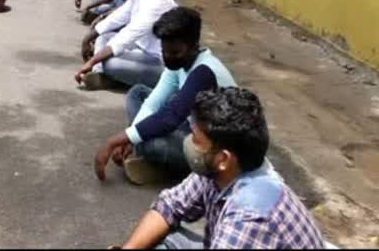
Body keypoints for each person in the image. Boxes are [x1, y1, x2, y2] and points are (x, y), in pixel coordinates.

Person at [111, 87, 325, 249]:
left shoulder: (250, 217)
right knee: (162, 241)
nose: (188, 143)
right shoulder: (219, 169)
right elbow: (170, 206)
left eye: (195, 139)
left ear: (224, 158)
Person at [93, 7, 236, 185]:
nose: (168, 57)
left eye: (175, 52)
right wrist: (130, 137)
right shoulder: (179, 64)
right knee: (138, 93)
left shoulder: (204, 71)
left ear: (194, 45)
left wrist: (116, 140)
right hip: (194, 127)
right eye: (164, 51)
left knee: (153, 144)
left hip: (215, 149)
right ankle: (151, 158)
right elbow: (153, 102)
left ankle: (165, 168)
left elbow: (172, 116)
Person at [75, 0, 176, 91]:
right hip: (142, 50)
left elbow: (127, 37)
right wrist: (88, 38)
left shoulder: (157, 0)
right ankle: (102, 75)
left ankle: (110, 75)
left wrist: (92, 61)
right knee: (104, 38)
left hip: (161, 62)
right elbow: (119, 16)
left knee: (111, 63)